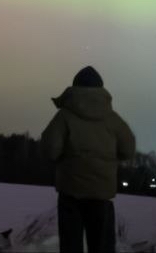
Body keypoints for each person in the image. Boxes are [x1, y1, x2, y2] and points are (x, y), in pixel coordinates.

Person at [41, 65, 136, 253]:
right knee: (102, 246)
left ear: (74, 88)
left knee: (70, 245)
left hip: (70, 192)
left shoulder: (64, 117)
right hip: (101, 194)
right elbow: (128, 150)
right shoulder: (113, 119)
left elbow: (50, 150)